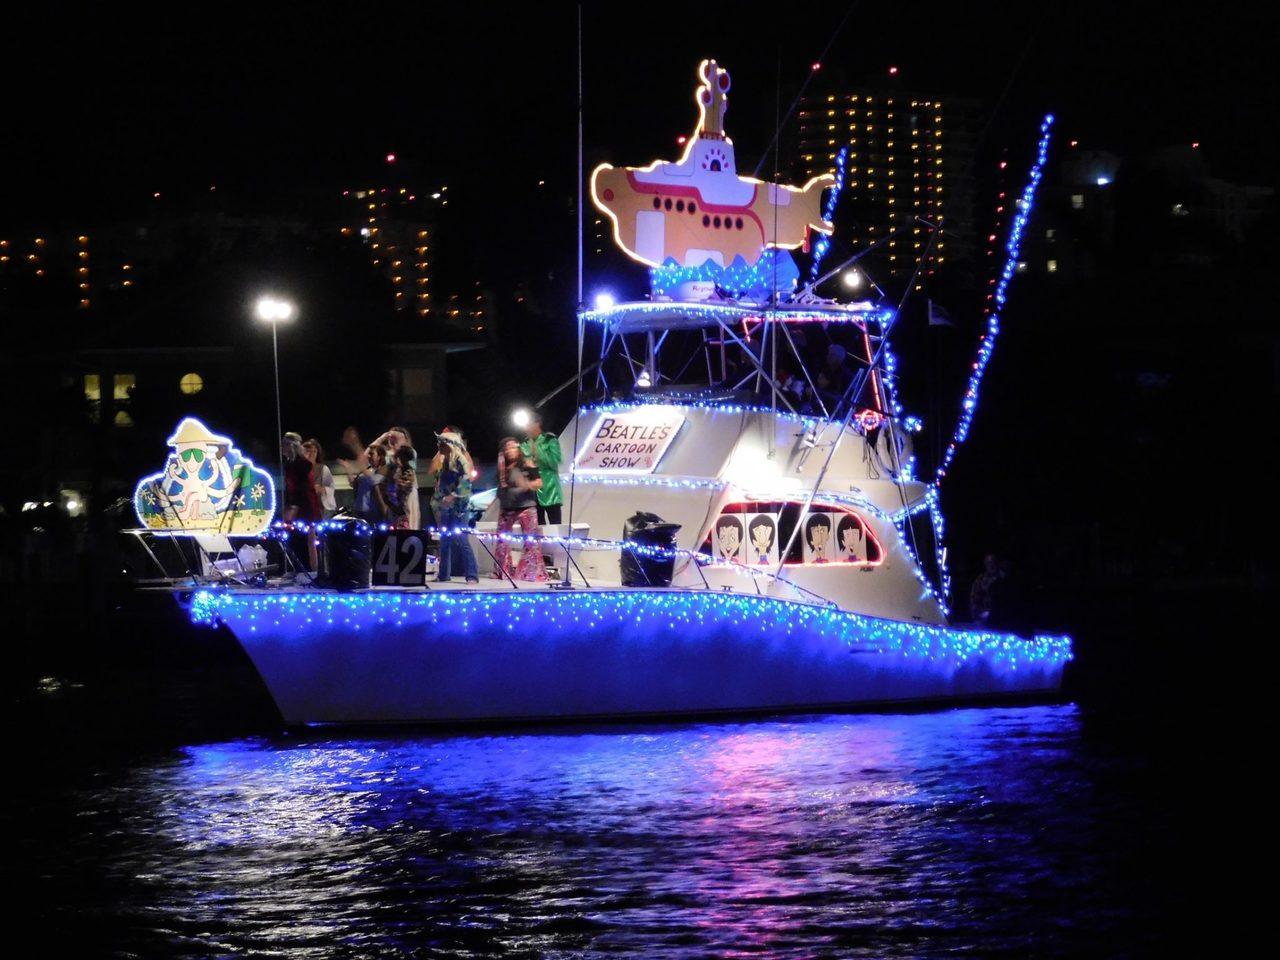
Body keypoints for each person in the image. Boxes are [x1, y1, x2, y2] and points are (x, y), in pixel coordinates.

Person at [493, 436, 547, 582]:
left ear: (518, 449)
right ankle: (502, 572)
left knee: (531, 541)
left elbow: (539, 483)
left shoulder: (526, 463)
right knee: (502, 540)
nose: (510, 451)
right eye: (506, 448)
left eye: (512, 447)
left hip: (526, 507)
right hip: (507, 507)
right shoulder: (502, 467)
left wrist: (526, 485)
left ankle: (531, 573)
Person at [428, 427, 478, 583]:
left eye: (441, 443)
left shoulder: (460, 460)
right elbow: (438, 482)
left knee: (462, 539)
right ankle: (444, 575)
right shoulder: (445, 462)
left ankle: (472, 575)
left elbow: (467, 479)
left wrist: (453, 495)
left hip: (460, 508)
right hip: (446, 507)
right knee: (445, 541)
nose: (438, 446)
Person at [281, 432, 320, 571]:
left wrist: (294, 508)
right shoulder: (290, 464)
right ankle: (299, 569)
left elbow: (301, 489)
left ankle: (313, 570)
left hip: (306, 505)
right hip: (297, 504)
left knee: (310, 539)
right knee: (296, 538)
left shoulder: (302, 464)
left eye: (284, 445)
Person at [519, 412, 564, 527]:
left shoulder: (549, 439)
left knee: (555, 526)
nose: (526, 428)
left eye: (528, 424)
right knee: (536, 527)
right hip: (532, 491)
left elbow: (555, 462)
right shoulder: (524, 444)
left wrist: (537, 451)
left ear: (537, 423)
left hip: (550, 489)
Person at [303, 439, 337, 519]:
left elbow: (331, 487)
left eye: (314, 451)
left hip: (320, 508)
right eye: (308, 451)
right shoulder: (299, 469)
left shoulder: (322, 468)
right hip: (304, 506)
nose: (312, 454)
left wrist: (321, 489)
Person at [969, 553, 1004, 624]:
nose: (991, 565)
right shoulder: (980, 580)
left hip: (1001, 614)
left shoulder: (1003, 579)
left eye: (993, 563)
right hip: (984, 614)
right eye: (988, 563)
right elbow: (974, 599)